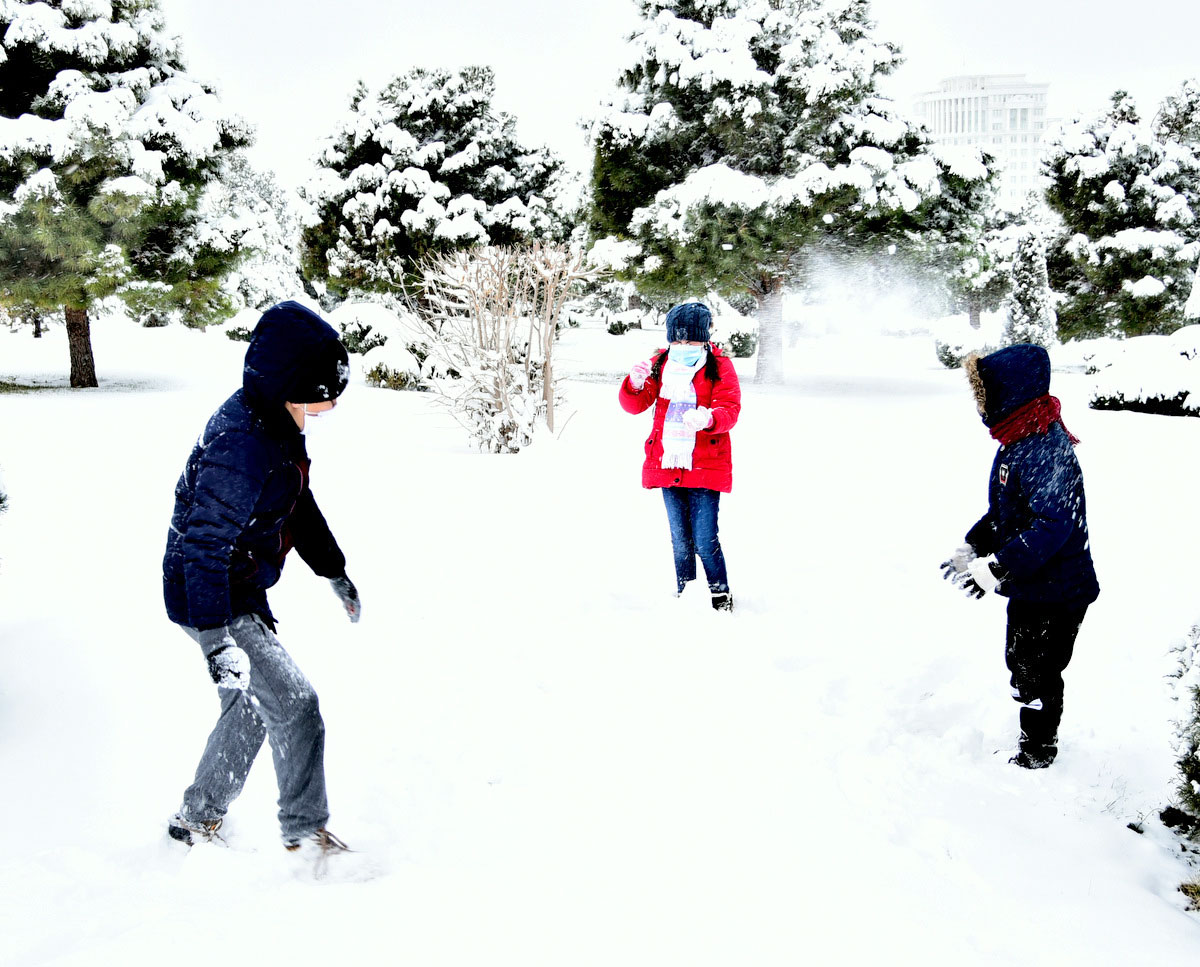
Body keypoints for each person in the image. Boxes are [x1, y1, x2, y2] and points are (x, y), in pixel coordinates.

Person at [162, 301, 361, 855]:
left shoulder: (275, 424)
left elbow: (296, 501)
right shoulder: (242, 445)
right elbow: (202, 543)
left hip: (235, 583)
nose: (329, 407)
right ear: (290, 386)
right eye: (322, 394)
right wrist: (214, 638)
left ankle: (194, 820)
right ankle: (305, 833)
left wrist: (334, 570)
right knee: (295, 705)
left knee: (252, 707)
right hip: (211, 591)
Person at [942, 344, 1099, 769]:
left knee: (1039, 670)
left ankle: (1038, 750)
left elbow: (1052, 526)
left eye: (986, 395)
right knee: (1022, 663)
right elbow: (1006, 511)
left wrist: (997, 567)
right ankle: (1034, 733)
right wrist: (973, 546)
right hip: (1033, 584)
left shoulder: (1046, 449)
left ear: (1012, 394)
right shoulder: (1018, 440)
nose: (982, 406)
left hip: (1060, 590)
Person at [619, 301, 742, 611]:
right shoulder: (660, 363)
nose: (683, 345)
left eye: (691, 340)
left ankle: (719, 596)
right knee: (679, 539)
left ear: (705, 337)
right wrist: (634, 384)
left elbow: (730, 409)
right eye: (677, 339)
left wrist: (709, 418)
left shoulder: (719, 365)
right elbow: (635, 405)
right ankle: (687, 597)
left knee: (704, 538)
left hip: (705, 464)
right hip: (667, 462)